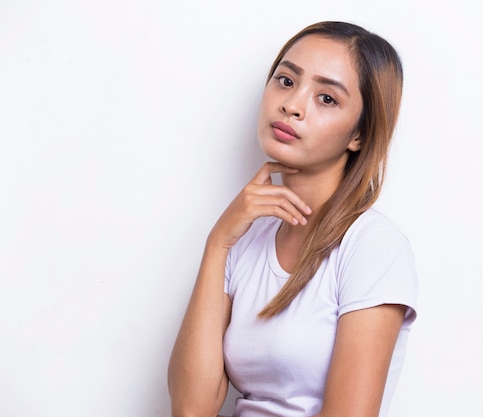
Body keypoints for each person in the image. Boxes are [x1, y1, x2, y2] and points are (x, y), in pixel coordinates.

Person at [168, 21, 419, 417]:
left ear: (359, 134)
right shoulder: (244, 239)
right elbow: (190, 408)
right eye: (286, 81)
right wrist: (217, 243)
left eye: (326, 98)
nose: (292, 105)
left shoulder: (372, 246)